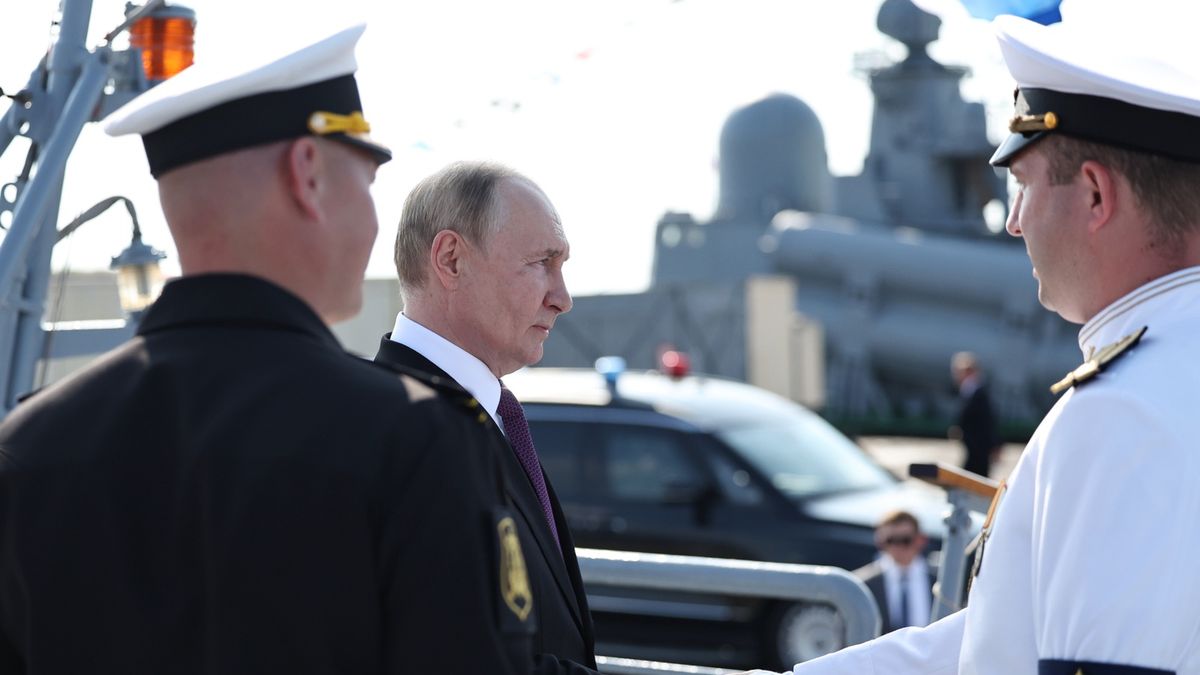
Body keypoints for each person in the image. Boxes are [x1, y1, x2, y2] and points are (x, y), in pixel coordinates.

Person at [0, 27, 536, 674]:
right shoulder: (414, 437)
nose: (373, 220)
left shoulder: (29, 444)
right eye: (367, 183)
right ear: (307, 173)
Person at [739, 6, 1200, 675]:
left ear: (1095, 195)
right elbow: (1003, 636)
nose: (1014, 221)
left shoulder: (1120, 414)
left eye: (1023, 185)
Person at [375, 161, 599, 674]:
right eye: (541, 263)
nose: (562, 299)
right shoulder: (398, 433)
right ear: (451, 260)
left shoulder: (482, 414)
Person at [855, 511, 935, 634]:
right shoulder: (863, 584)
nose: (898, 546)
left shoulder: (940, 581)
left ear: (920, 540)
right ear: (880, 541)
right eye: (891, 540)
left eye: (905, 540)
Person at [949, 351, 1000, 477]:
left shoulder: (977, 393)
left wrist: (995, 445)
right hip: (974, 449)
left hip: (979, 451)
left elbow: (987, 422)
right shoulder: (971, 391)